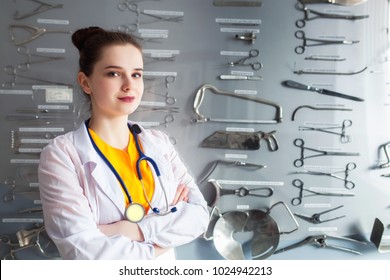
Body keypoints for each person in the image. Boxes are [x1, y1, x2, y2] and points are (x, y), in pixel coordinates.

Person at [38, 26, 209, 260]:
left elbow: (199, 216)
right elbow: (84, 251)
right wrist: (161, 243)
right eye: (114, 73)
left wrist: (132, 230)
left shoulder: (159, 143)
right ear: (85, 82)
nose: (129, 85)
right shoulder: (62, 154)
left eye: (136, 74)